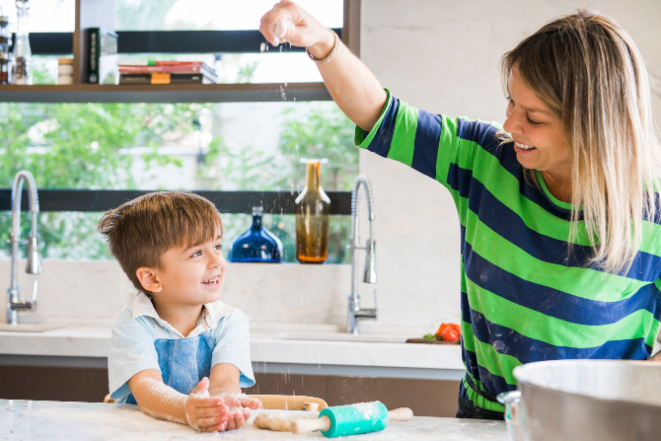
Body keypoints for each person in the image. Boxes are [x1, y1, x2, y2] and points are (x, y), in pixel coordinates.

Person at [260, 2, 661, 420]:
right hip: (484, 420)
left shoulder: (653, 211)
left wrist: (631, 399)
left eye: (534, 118)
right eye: (511, 103)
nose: (510, 125)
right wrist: (324, 43)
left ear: (592, 126)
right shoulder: (485, 160)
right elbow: (381, 115)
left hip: (595, 427)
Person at [99, 191, 261, 432]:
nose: (217, 261)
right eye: (197, 253)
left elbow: (225, 382)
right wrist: (187, 409)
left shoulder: (229, 322)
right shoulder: (134, 325)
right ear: (152, 278)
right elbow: (147, 389)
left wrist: (222, 407)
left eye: (217, 246)